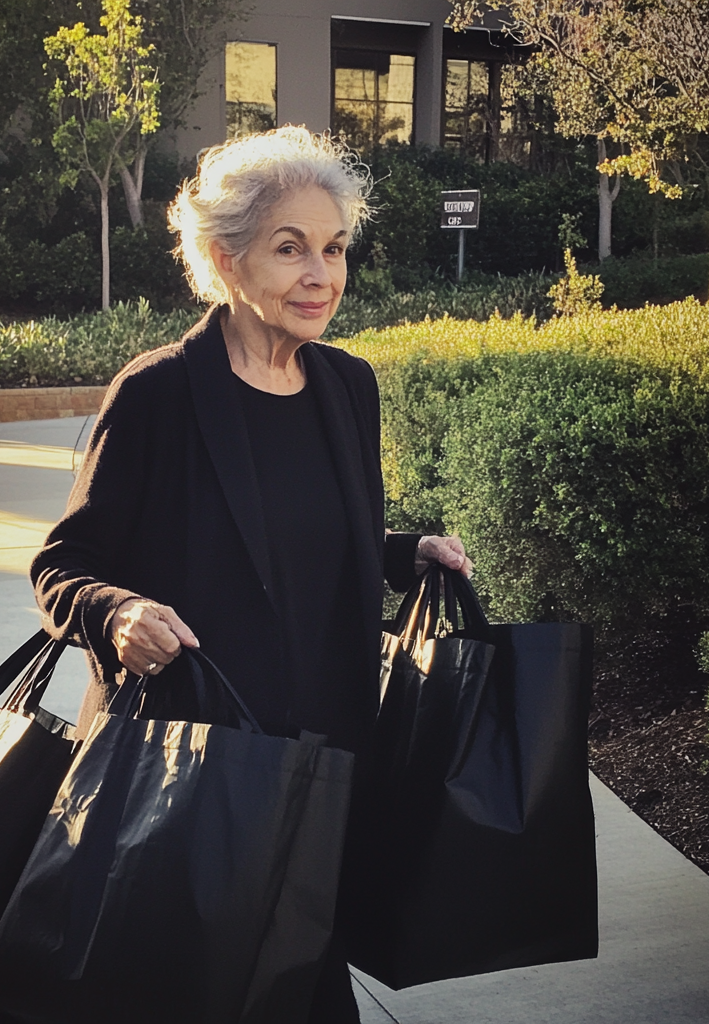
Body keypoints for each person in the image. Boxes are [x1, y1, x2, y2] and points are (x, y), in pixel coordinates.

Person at [31, 126, 473, 1023]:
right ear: (226, 260)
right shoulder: (156, 393)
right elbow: (63, 565)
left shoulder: (349, 386)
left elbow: (310, 541)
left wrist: (403, 554)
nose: (322, 274)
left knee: (304, 983)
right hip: (194, 773)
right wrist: (115, 615)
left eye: (335, 248)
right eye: (290, 248)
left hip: (327, 764)